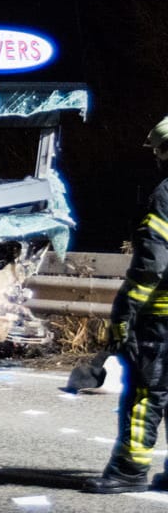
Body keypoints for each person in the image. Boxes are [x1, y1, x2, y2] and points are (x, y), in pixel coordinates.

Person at [85, 115, 168, 493]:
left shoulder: (165, 194)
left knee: (146, 393)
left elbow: (152, 263)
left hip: (162, 317)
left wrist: (126, 311)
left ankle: (129, 471)